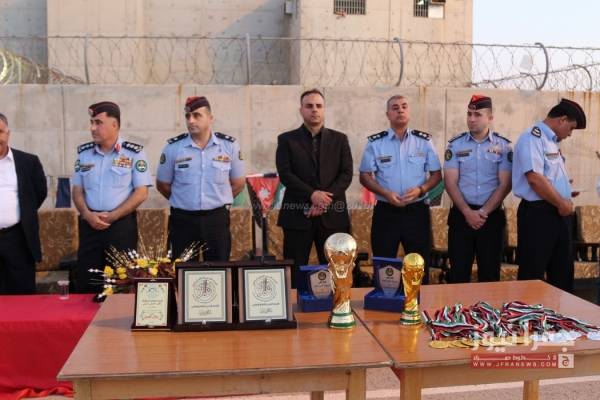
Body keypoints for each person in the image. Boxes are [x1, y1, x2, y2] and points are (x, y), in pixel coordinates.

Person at [359, 95, 441, 283]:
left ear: (409, 111)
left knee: (418, 266)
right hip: (386, 212)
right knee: (384, 267)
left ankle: (417, 301)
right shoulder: (376, 143)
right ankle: (384, 300)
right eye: (395, 108)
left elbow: (437, 175)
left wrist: (421, 189)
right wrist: (385, 193)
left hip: (417, 212)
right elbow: (364, 176)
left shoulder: (424, 141)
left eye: (404, 106)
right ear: (388, 114)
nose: (400, 110)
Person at [72, 102, 152, 293]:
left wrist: (113, 216)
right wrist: (87, 215)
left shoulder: (134, 153)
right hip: (90, 225)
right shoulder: (84, 154)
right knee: (88, 282)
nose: (93, 128)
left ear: (114, 125)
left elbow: (141, 192)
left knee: (121, 282)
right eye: (91, 122)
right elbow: (77, 190)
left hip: (120, 227)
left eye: (98, 122)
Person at [275, 89, 353, 279]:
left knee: (337, 272)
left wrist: (323, 200)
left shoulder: (340, 139)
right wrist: (312, 195)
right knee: (295, 273)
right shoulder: (286, 140)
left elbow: (346, 174)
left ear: (324, 109)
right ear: (301, 110)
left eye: (319, 106)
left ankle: (337, 299)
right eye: (309, 106)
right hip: (297, 215)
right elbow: (285, 174)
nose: (314, 110)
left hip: (333, 215)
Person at [156, 96, 245, 261]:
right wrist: (185, 200)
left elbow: (238, 183)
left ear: (210, 118)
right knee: (182, 269)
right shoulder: (173, 148)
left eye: (197, 115)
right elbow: (162, 185)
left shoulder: (229, 146)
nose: (191, 120)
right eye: (187, 116)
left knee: (219, 268)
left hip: (216, 219)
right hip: (183, 220)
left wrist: (217, 199)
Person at [512, 98, 586, 293]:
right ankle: (529, 313)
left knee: (562, 275)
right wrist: (561, 202)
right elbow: (535, 179)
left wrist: (565, 191)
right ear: (562, 120)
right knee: (532, 275)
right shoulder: (532, 138)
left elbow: (548, 177)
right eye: (571, 128)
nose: (570, 134)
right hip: (539, 215)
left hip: (558, 212)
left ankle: (561, 314)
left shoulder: (552, 143)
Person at [443, 95, 512, 283]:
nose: (471, 119)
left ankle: (486, 305)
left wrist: (482, 212)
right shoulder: (455, 145)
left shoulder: (504, 146)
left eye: (477, 115)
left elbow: (505, 184)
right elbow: (450, 182)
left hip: (491, 217)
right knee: (458, 274)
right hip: (461, 216)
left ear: (490, 118)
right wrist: (467, 212)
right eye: (469, 114)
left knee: (489, 275)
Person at [0, 113, 47, 294]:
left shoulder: (28, 162)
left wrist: (23, 213)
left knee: (23, 296)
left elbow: (39, 193)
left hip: (18, 238)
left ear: (8, 134)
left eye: (0, 132)